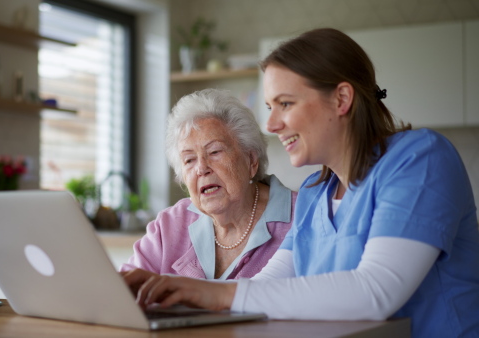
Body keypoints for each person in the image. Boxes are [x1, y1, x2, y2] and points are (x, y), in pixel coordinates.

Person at [122, 28, 479, 337]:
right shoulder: (314, 192)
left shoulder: (420, 159)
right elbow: (266, 288)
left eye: (285, 104)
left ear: (341, 99)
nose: (273, 124)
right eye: (269, 107)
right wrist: (182, 295)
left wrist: (208, 293)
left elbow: (374, 292)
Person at [120, 88, 296, 280]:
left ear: (251, 160)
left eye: (215, 152)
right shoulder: (170, 225)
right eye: (189, 160)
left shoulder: (303, 216)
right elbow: (122, 290)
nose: (201, 168)